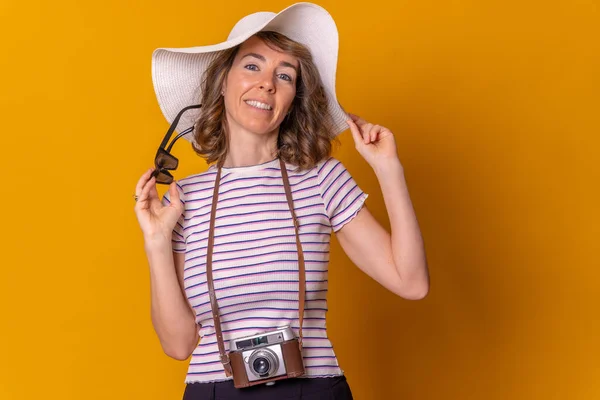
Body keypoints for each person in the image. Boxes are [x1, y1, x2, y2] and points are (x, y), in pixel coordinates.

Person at [133, 3, 429, 399]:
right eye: (252, 66)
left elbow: (411, 283)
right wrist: (156, 241)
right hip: (214, 390)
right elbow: (178, 344)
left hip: (312, 388)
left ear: (292, 99)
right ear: (223, 82)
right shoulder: (184, 199)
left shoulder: (321, 180)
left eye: (284, 75)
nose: (267, 83)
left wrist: (389, 170)